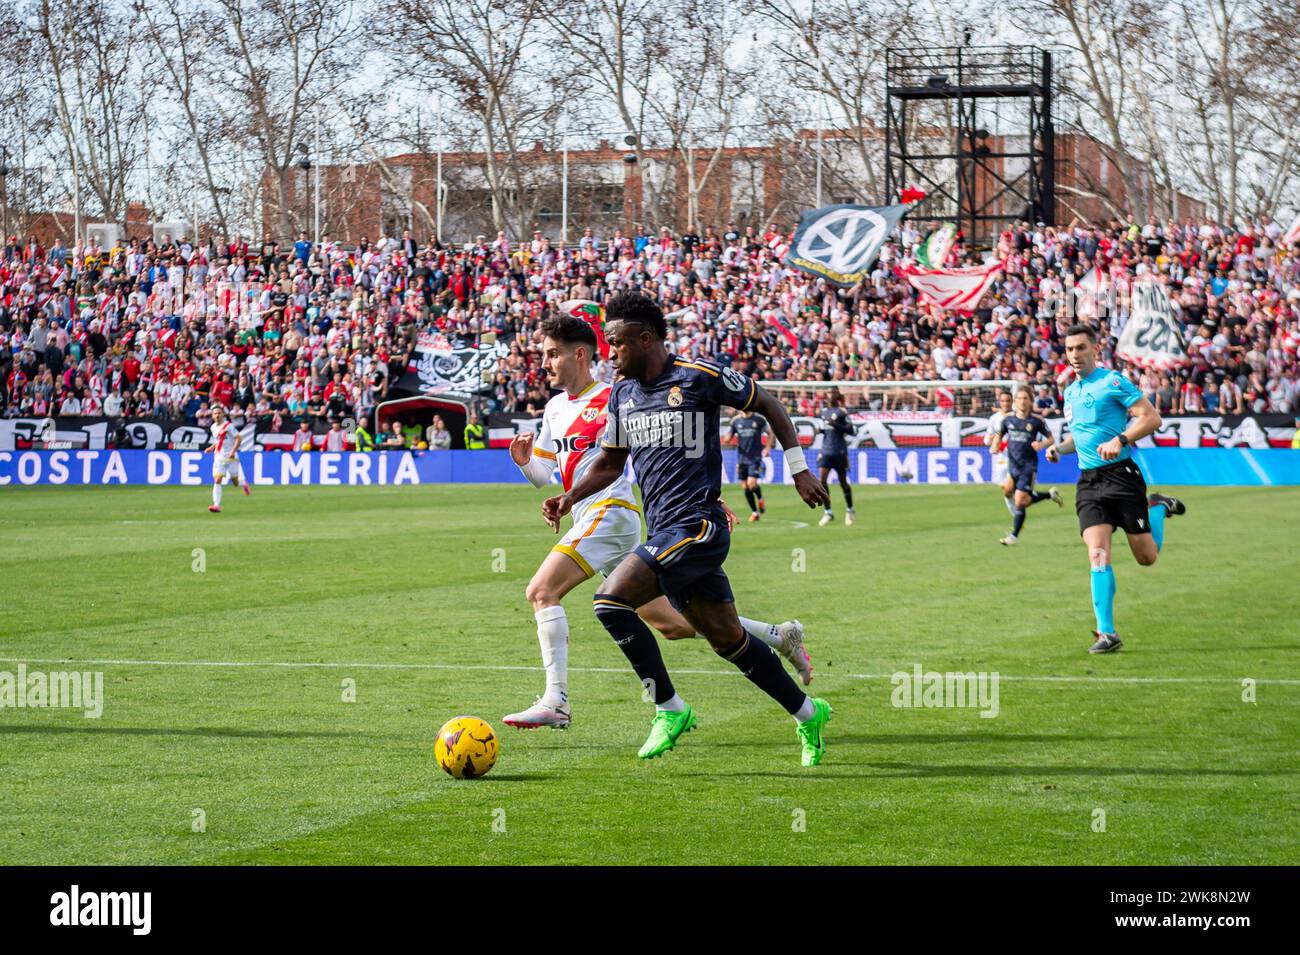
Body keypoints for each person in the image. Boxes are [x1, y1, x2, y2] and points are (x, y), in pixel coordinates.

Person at [542, 293, 834, 765]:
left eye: (616, 344)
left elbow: (771, 405)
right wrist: (570, 495)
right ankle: (808, 714)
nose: (610, 354)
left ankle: (669, 708)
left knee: (610, 602)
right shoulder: (623, 394)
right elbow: (612, 462)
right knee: (728, 641)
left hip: (698, 524)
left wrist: (799, 469)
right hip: (663, 530)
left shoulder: (699, 377)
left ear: (645, 339)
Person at [1047, 325, 1187, 653]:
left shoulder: (1112, 382)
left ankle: (1158, 508)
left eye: (1081, 348)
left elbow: (1151, 418)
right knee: (1097, 554)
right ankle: (1107, 633)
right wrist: (1059, 448)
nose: (1075, 355)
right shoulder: (1071, 392)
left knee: (1146, 557)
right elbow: (1079, 436)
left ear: (1094, 349)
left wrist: (1121, 439)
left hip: (1121, 476)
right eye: (1069, 349)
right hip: (1088, 482)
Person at [995, 387, 1062, 545]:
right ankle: (1049, 495)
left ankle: (1014, 536)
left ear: (1030, 401)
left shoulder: (1036, 421)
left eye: (1025, 398)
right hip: (1013, 465)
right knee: (1008, 492)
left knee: (1019, 501)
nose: (1022, 401)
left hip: (1028, 466)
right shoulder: (1008, 420)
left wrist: (1041, 444)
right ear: (1015, 401)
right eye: (1019, 398)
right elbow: (999, 435)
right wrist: (994, 446)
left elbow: (1051, 439)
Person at [816, 388, 856, 526]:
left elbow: (852, 431)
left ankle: (850, 510)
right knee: (821, 482)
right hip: (826, 450)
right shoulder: (823, 412)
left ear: (836, 396)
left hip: (839, 451)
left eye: (831, 393)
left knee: (843, 482)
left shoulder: (842, 412)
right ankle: (828, 512)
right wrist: (821, 431)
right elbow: (827, 431)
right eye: (827, 393)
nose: (829, 395)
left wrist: (836, 425)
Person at [204, 404, 250, 513]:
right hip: (219, 456)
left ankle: (243, 483)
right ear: (212, 416)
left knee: (235, 482)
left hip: (231, 456)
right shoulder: (213, 427)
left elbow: (238, 438)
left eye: (219, 413)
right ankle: (216, 505)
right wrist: (211, 447)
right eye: (215, 414)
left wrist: (233, 451)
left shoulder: (229, 426)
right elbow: (217, 440)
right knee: (217, 479)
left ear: (223, 414)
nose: (217, 415)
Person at [728, 408, 769, 522]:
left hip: (754, 458)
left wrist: (767, 447)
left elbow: (770, 433)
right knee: (745, 487)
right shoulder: (735, 421)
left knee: (751, 484)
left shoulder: (759, 419)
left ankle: (760, 497)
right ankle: (755, 513)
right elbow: (729, 435)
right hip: (741, 459)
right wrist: (727, 438)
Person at [985, 389, 1017, 518]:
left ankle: (1018, 517)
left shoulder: (1018, 416)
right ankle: (1017, 517)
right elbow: (987, 440)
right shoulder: (994, 419)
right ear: (999, 402)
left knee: (1020, 491)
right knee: (1007, 491)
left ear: (1012, 402)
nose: (1005, 403)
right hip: (1002, 460)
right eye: (1003, 401)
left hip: (1017, 459)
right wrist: (991, 439)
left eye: (1008, 401)